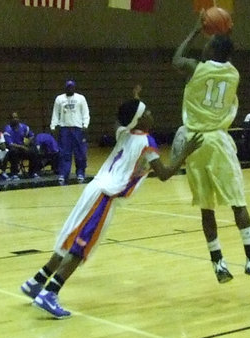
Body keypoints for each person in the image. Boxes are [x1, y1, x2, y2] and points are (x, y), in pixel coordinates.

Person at [19, 100, 202, 318]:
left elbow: (118, 121)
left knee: (70, 238)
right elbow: (164, 174)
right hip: (105, 196)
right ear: (141, 118)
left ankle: (36, 282)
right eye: (148, 112)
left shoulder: (123, 134)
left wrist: (131, 104)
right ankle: (50, 293)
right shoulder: (147, 142)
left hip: (93, 190)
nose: (152, 115)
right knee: (80, 247)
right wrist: (185, 152)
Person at [173, 19, 250, 282]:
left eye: (209, 44)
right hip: (219, 142)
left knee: (207, 208)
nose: (205, 46)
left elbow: (177, 58)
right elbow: (225, 55)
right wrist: (224, 35)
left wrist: (193, 31)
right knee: (238, 202)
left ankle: (219, 263)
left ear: (213, 51)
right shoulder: (234, 74)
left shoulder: (195, 69)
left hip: (196, 143)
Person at [51, 79, 89, 183]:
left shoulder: (80, 98)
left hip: (77, 129)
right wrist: (53, 125)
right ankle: (63, 174)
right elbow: (55, 112)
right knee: (64, 153)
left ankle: (80, 173)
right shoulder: (59, 99)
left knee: (80, 153)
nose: (70, 89)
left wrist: (85, 124)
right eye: (68, 87)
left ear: (74, 88)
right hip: (65, 129)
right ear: (65, 88)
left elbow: (85, 112)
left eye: (72, 87)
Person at [3, 111, 36, 178]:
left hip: (22, 149)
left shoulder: (23, 127)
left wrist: (28, 141)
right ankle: (14, 174)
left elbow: (32, 135)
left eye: (16, 117)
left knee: (33, 152)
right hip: (13, 150)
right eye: (13, 118)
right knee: (14, 152)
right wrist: (22, 147)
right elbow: (10, 144)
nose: (15, 119)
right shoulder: (7, 129)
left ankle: (32, 172)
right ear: (10, 119)